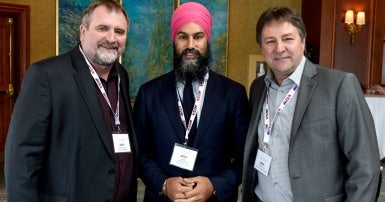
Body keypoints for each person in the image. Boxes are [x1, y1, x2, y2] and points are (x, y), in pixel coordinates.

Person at [242, 6, 381, 202]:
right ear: (262, 47)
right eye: (270, 41)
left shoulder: (339, 85)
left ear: (303, 42)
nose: (279, 48)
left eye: (287, 39)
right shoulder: (257, 88)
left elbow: (365, 167)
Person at [4, 0, 138, 201]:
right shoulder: (46, 75)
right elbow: (21, 157)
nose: (112, 38)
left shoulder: (121, 75)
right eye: (103, 28)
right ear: (83, 32)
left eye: (119, 31)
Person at [133, 2, 250, 202]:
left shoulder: (234, 94)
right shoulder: (149, 93)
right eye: (182, 37)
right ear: (174, 40)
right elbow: (139, 153)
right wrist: (163, 183)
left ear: (207, 40)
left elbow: (245, 158)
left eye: (198, 36)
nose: (190, 45)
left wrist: (214, 185)